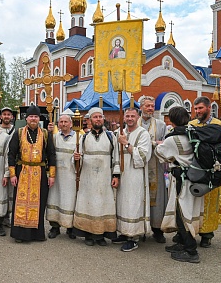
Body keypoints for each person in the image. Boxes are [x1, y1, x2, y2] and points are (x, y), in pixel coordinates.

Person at [155, 106, 204, 263]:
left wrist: (157, 143)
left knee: (182, 213)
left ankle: (191, 251)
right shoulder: (193, 133)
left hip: (181, 180)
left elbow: (160, 153)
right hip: (194, 177)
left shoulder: (172, 139)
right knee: (185, 211)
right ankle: (182, 243)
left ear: (172, 120)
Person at [72, 107, 120, 246]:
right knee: (88, 205)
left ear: (103, 119)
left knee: (103, 205)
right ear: (90, 120)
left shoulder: (111, 137)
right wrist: (76, 158)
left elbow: (115, 157)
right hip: (88, 178)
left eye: (100, 117)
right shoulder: (83, 137)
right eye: (95, 117)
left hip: (104, 178)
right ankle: (88, 234)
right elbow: (76, 156)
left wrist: (116, 175)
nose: (98, 119)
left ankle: (101, 235)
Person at [8, 105, 56, 243]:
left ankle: (36, 234)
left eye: (36, 116)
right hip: (22, 171)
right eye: (31, 116)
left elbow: (51, 155)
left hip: (39, 173)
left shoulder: (45, 134)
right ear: (26, 118)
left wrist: (51, 175)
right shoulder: (19, 132)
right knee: (20, 203)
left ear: (39, 118)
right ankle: (20, 234)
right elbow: (11, 154)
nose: (33, 119)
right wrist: (12, 174)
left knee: (39, 203)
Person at [188, 96, 221, 248]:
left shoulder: (220, 125)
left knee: (210, 202)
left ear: (209, 108)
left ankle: (207, 234)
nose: (197, 111)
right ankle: (191, 231)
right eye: (196, 109)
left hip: (212, 170)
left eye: (200, 108)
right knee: (194, 201)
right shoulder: (191, 124)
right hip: (195, 170)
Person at [115, 108, 152, 252]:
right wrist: (116, 174)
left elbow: (143, 156)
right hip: (123, 174)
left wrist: (126, 144)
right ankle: (124, 232)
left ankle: (134, 237)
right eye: (127, 116)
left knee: (133, 204)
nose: (130, 118)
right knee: (122, 203)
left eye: (133, 116)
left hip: (136, 176)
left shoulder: (143, 134)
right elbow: (116, 156)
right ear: (123, 117)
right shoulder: (120, 132)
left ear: (138, 117)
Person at [137, 96, 168, 243]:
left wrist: (157, 144)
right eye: (148, 106)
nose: (150, 109)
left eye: (152, 106)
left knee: (157, 198)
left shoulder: (161, 125)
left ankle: (157, 229)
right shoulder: (133, 122)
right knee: (139, 196)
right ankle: (139, 228)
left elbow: (166, 145)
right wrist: (153, 142)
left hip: (155, 165)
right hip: (137, 166)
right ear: (141, 107)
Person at [46, 114, 79, 240]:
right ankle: (55, 227)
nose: (63, 124)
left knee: (70, 200)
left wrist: (77, 160)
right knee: (55, 198)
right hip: (57, 174)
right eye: (61, 122)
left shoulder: (78, 137)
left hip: (70, 174)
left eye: (66, 122)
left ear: (71, 124)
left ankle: (70, 227)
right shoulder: (54, 137)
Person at [0, 107, 15, 227]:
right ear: (0, 117)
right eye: (4, 114)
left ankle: (7, 217)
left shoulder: (16, 131)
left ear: (12, 117)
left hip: (11, 164)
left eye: (8, 114)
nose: (6, 116)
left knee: (10, 191)